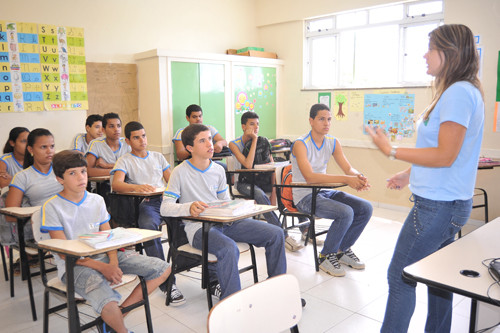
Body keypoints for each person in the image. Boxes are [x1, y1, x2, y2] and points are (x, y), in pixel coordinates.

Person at [366, 24, 485, 333]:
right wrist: (409, 174)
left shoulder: (458, 93)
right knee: (436, 276)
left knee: (400, 275)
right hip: (448, 203)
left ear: (449, 54)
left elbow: (445, 155)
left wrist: (392, 151)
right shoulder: (459, 90)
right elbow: (440, 151)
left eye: (430, 48)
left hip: (437, 207)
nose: (424, 54)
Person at [40, 150, 170, 333]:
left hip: (107, 255)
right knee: (107, 299)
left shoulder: (97, 200)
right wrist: (104, 267)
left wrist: (114, 262)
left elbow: (110, 238)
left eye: (83, 171)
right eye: (72, 173)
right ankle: (120, 329)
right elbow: (63, 252)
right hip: (73, 265)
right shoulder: (52, 207)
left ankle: (112, 320)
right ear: (59, 179)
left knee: (163, 269)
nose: (80, 177)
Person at [160, 124, 286, 300]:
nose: (210, 144)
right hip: (199, 229)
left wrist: (240, 206)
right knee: (228, 248)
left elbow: (225, 202)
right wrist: (187, 207)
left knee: (276, 233)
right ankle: (232, 303)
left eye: (210, 139)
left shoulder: (219, 169)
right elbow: (165, 207)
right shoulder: (179, 172)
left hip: (226, 223)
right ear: (189, 148)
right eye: (202, 141)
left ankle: (278, 289)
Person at [291, 103, 373, 277]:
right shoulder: (300, 144)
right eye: (321, 119)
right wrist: (346, 180)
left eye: (329, 119)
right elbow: (311, 177)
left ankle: (341, 250)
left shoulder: (333, 142)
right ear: (311, 121)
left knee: (366, 208)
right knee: (345, 212)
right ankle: (326, 256)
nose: (326, 123)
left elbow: (348, 168)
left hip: (324, 192)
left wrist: (359, 177)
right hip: (305, 196)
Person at [111, 121, 185, 305]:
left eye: (143, 136)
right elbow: (116, 184)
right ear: (128, 140)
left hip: (165, 199)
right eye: (136, 137)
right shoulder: (125, 160)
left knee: (184, 221)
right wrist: (138, 187)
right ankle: (166, 280)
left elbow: (172, 180)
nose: (142, 140)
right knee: (149, 228)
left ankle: (184, 262)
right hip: (147, 203)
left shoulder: (158, 157)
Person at [229, 111, 304, 252]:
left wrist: (275, 189)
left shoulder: (263, 141)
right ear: (243, 126)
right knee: (260, 194)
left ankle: (305, 230)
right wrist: (254, 140)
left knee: (289, 189)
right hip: (244, 183)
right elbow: (248, 164)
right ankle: (284, 235)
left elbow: (271, 166)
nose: (256, 127)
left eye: (257, 124)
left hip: (262, 180)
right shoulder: (234, 144)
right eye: (252, 124)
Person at [6, 129, 63, 229]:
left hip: (69, 219)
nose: (49, 151)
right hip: (42, 227)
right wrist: (41, 216)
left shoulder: (64, 169)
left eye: (52, 146)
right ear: (31, 150)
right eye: (43, 147)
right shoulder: (22, 177)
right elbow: (10, 215)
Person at [86, 112, 130, 177]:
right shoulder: (96, 144)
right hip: (104, 185)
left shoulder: (127, 143)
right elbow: (87, 171)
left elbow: (135, 167)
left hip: (127, 183)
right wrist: (119, 171)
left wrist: (107, 165)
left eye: (118, 126)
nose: (116, 129)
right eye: (111, 126)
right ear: (103, 130)